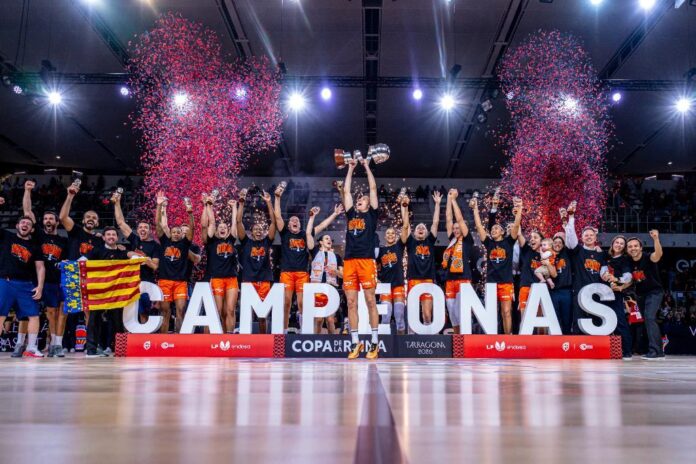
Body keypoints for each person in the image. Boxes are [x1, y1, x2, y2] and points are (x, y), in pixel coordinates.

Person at [274, 184, 343, 332]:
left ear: (300, 224)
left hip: (302, 273)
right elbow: (278, 216)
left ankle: (304, 330)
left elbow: (322, 225)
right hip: (286, 272)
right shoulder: (285, 233)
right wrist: (277, 198)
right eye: (292, 220)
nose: (295, 221)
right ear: (288, 224)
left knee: (302, 304)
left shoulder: (305, 234)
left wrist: (335, 214)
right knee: (286, 303)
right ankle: (284, 332)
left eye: (297, 220)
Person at [21, 180, 68, 357]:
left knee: (53, 313)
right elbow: (27, 212)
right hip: (35, 279)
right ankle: (22, 344)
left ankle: (54, 344)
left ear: (57, 222)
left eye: (51, 218)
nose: (48, 220)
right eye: (46, 218)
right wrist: (27, 191)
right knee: (28, 313)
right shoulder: (39, 234)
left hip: (54, 281)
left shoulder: (63, 241)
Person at [342, 158, 380, 359]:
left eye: (363, 199)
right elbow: (346, 191)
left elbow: (373, 188)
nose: (360, 200)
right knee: (351, 302)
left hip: (366, 261)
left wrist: (366, 166)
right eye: (360, 199)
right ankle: (355, 343)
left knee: (370, 301)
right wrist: (350, 169)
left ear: (368, 204)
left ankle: (374, 342)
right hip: (349, 261)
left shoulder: (372, 215)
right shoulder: (351, 214)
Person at [472, 195, 521, 335]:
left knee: (506, 312)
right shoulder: (489, 243)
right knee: (492, 313)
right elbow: (479, 227)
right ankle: (492, 339)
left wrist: (519, 210)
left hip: (506, 282)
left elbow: (516, 226)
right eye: (492, 229)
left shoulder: (509, 242)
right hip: (491, 283)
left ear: (503, 232)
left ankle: (508, 337)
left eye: (496, 228)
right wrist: (475, 209)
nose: (493, 230)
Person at [563, 202, 613, 335]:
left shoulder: (601, 254)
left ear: (595, 237)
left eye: (591, 235)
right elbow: (571, 238)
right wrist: (571, 218)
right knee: (578, 318)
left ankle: (595, 345)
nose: (589, 237)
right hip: (580, 290)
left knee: (596, 319)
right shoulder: (578, 250)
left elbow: (603, 270)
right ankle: (578, 344)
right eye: (586, 235)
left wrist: (606, 275)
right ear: (582, 238)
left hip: (596, 291)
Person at [112, 188, 161, 324]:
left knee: (144, 313)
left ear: (150, 231)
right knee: (129, 312)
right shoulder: (135, 239)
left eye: (145, 227)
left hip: (147, 282)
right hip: (131, 281)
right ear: (137, 230)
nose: (142, 229)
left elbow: (155, 267)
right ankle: (130, 336)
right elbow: (121, 223)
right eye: (140, 227)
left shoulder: (155, 246)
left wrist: (144, 259)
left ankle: (144, 336)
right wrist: (117, 203)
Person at [0, 215, 45, 358]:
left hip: (26, 284)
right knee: (1, 315)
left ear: (31, 229)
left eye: (28, 224)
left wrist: (40, 286)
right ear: (17, 226)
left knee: (34, 315)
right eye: (22, 222)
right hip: (5, 281)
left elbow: (40, 267)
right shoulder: (6, 236)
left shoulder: (35, 246)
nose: (25, 225)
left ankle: (31, 348)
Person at [84, 226, 132, 357]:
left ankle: (119, 350)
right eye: (108, 234)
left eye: (113, 235)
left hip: (116, 294)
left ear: (117, 237)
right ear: (104, 237)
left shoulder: (122, 251)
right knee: (94, 319)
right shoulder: (97, 250)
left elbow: (132, 256)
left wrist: (134, 255)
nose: (111, 237)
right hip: (99, 293)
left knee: (117, 321)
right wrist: (69, 264)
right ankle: (91, 350)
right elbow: (83, 261)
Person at [236, 189, 276, 334]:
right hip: (249, 281)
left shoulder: (267, 241)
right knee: (247, 313)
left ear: (264, 231)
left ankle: (263, 339)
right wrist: (241, 203)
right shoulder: (246, 242)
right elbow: (238, 221)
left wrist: (269, 203)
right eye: (256, 229)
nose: (258, 231)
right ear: (251, 231)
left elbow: (273, 222)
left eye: (261, 229)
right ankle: (248, 342)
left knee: (262, 315)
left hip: (264, 281)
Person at [400, 191, 441, 326]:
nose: (421, 228)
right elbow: (405, 224)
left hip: (428, 279)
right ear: (414, 232)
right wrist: (405, 206)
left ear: (427, 232)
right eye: (418, 228)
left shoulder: (430, 241)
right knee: (412, 314)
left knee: (427, 315)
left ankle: (427, 334)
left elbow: (435, 222)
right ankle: (412, 336)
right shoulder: (410, 241)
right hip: (413, 279)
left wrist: (437, 204)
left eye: (423, 227)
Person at [156, 192, 194, 333]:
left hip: (180, 282)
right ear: (170, 233)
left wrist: (190, 213)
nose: (176, 234)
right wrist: (159, 206)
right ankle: (164, 341)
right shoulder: (164, 241)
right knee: (165, 312)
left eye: (178, 232)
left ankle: (179, 339)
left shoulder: (185, 244)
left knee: (181, 311)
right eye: (174, 232)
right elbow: (158, 225)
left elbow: (192, 228)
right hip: (164, 281)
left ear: (181, 234)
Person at [201, 196, 238, 333]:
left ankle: (229, 337)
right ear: (216, 230)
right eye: (220, 227)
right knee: (216, 310)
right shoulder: (212, 242)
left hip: (231, 279)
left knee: (230, 310)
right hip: (216, 279)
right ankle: (211, 339)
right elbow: (210, 223)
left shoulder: (231, 240)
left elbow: (234, 223)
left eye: (224, 227)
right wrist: (208, 205)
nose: (222, 228)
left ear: (227, 231)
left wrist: (234, 207)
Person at [627, 230, 664, 360]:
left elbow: (658, 255)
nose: (633, 248)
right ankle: (659, 352)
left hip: (654, 292)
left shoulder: (648, 257)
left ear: (641, 248)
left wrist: (656, 239)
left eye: (635, 246)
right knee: (648, 321)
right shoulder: (628, 262)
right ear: (627, 249)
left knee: (649, 317)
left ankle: (654, 351)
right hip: (640, 295)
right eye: (630, 246)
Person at [440, 189, 473, 334]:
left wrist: (454, 200)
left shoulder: (467, 239)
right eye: (454, 228)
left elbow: (458, 218)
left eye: (458, 228)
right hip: (450, 280)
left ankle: (465, 338)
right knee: (453, 315)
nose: (455, 229)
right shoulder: (452, 240)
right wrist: (448, 199)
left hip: (463, 279)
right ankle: (458, 338)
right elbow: (449, 219)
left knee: (462, 313)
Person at [306, 211, 344, 333]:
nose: (329, 240)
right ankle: (316, 341)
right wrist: (312, 217)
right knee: (318, 319)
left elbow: (343, 275)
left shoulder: (337, 256)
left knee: (330, 319)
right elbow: (308, 234)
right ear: (321, 242)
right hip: (318, 288)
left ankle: (332, 342)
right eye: (326, 238)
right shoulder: (315, 252)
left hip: (331, 288)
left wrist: (335, 271)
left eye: (330, 239)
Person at [604, 234, 634, 360]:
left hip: (615, 294)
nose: (619, 245)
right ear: (612, 244)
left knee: (620, 321)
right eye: (617, 242)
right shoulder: (606, 257)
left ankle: (627, 351)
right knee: (605, 322)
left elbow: (628, 277)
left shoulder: (625, 259)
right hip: (602, 294)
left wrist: (617, 279)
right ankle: (610, 350)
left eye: (622, 243)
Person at [377, 227, 406, 334]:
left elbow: (405, 228)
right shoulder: (380, 250)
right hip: (385, 286)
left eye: (392, 233)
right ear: (385, 236)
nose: (390, 235)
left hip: (398, 285)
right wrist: (376, 278)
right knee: (385, 318)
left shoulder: (399, 246)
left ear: (395, 236)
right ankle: (384, 343)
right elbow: (373, 265)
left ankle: (401, 341)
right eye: (388, 233)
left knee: (399, 317)